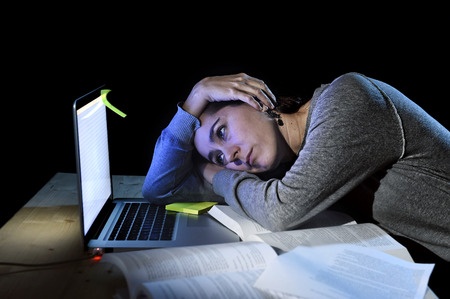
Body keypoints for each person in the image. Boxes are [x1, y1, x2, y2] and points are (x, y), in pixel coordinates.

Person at [142, 72, 449, 296]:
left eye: (222, 132)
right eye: (219, 158)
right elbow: (159, 189)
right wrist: (193, 104)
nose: (231, 157)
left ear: (254, 100)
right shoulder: (289, 165)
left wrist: (213, 171)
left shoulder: (348, 99)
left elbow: (279, 211)